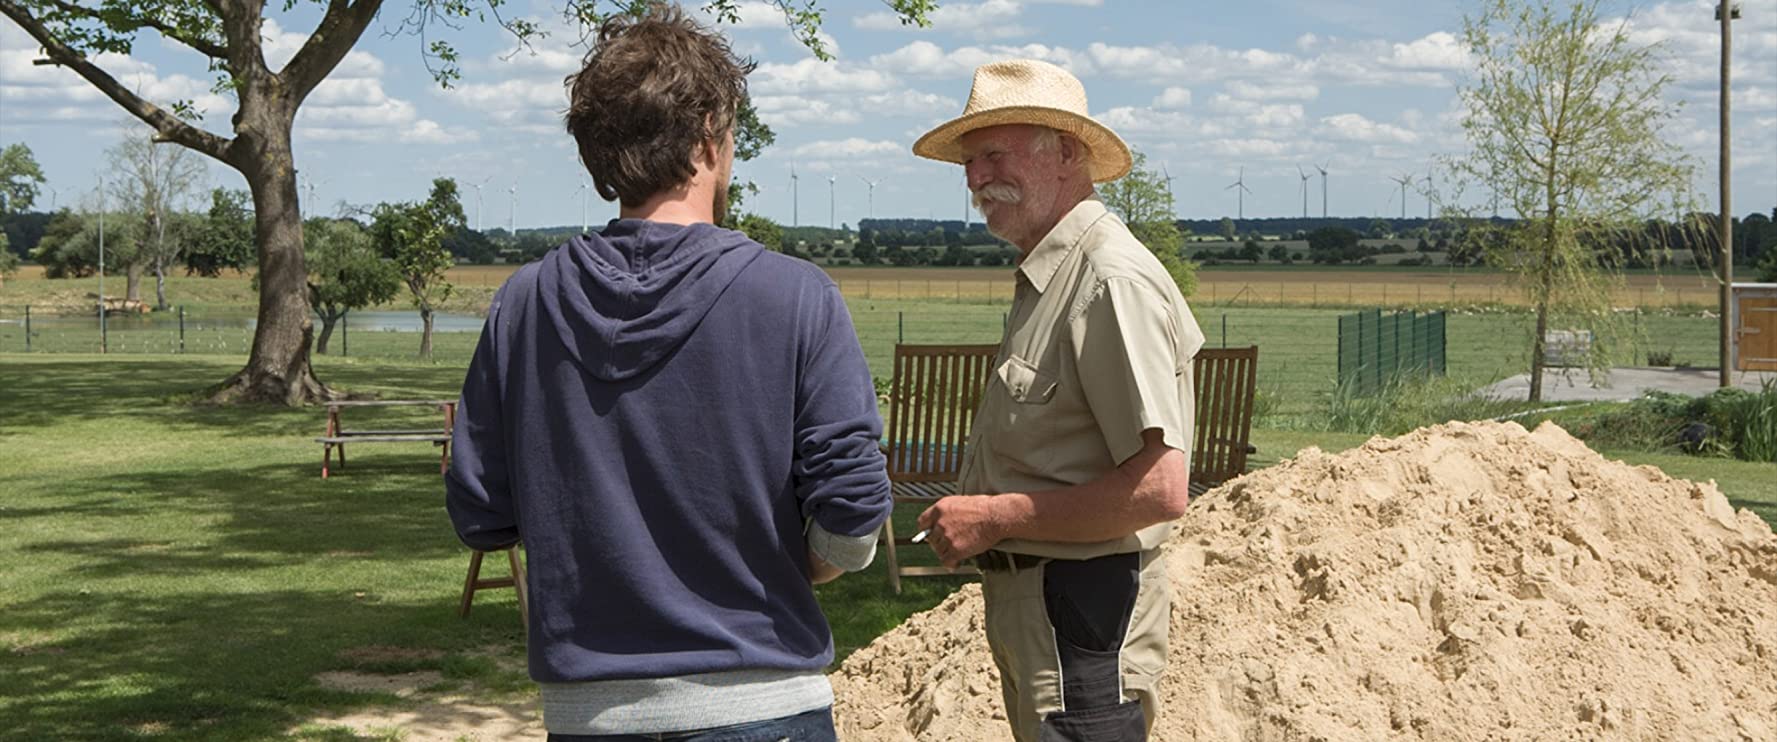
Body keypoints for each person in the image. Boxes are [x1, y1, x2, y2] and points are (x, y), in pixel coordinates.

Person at [444, 4, 891, 740]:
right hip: (761, 703)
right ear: (710, 132)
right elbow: (853, 505)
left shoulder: (523, 303)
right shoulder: (795, 294)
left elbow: (480, 512)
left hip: (589, 714)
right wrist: (805, 566)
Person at [910, 59, 1205, 740]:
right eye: (968, 162)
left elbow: (1159, 490)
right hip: (1054, 611)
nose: (975, 178)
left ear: (1067, 152)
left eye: (993, 154)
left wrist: (993, 516)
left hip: (1083, 611)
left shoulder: (1107, 281)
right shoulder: (1057, 274)